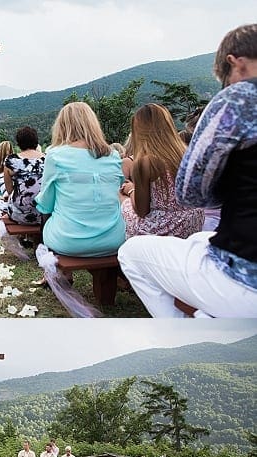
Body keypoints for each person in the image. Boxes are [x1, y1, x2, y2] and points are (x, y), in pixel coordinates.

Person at [118, 24, 257, 318]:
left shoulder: (239, 97)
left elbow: (191, 193)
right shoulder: (177, 151)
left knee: (129, 252)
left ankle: (179, 332)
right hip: (192, 226)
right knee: (197, 240)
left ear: (236, 63)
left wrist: (128, 193)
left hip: (245, 276)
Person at [36, 101, 126, 257]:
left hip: (68, 241)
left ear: (62, 126)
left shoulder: (56, 155)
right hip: (115, 239)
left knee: (46, 217)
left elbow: (46, 205)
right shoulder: (114, 155)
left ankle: (56, 274)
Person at [119, 103, 204, 240]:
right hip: (193, 224)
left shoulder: (145, 162)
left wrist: (130, 190)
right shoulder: (189, 154)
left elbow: (142, 211)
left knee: (122, 201)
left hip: (165, 229)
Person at [3, 126, 46, 225]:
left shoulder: (11, 161)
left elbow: (9, 190)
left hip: (19, 214)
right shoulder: (48, 159)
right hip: (43, 213)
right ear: (36, 141)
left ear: (19, 143)